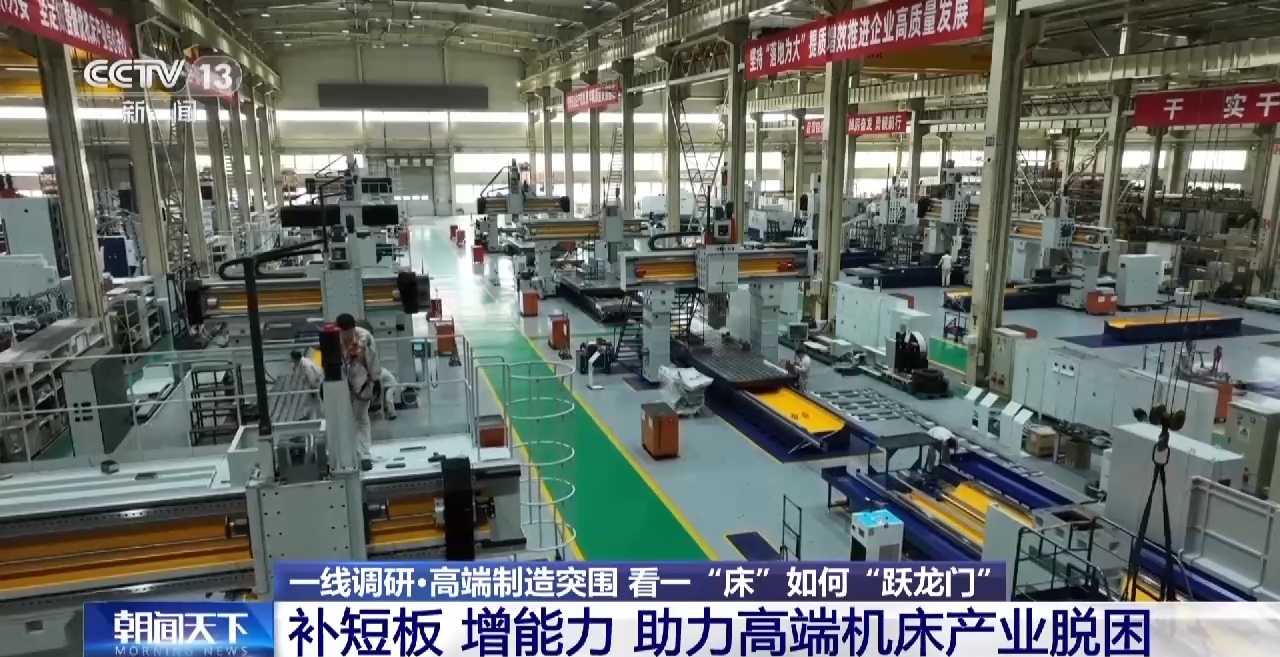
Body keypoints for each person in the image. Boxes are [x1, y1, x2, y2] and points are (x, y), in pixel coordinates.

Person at [336, 313, 381, 460]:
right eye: (344, 332)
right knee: (346, 418)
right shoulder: (333, 338)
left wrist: (376, 380)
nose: (347, 335)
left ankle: (363, 453)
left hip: (363, 383)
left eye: (349, 331)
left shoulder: (365, 338)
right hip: (342, 384)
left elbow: (373, 359)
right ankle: (349, 451)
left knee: (361, 417)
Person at [289, 350, 325, 419]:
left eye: (292, 360)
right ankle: (310, 416)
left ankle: (320, 416)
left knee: (315, 401)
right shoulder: (304, 361)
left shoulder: (306, 366)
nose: (292, 361)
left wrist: (312, 389)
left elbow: (312, 377)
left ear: (296, 359)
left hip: (317, 382)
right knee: (311, 402)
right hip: (317, 380)